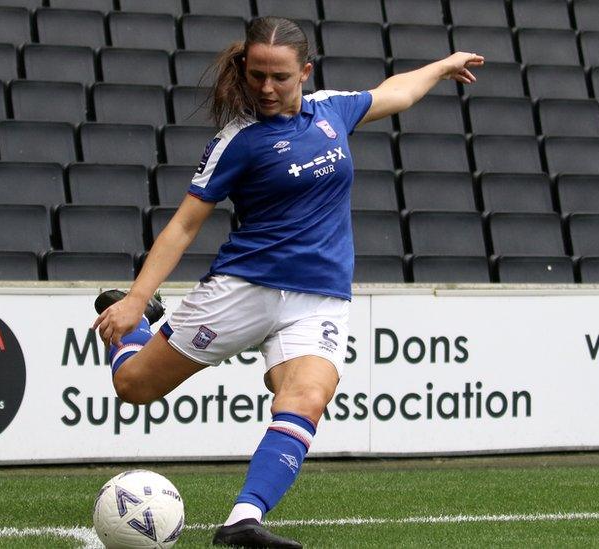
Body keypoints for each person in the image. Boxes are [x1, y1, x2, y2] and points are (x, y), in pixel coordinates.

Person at [92, 16, 483, 548]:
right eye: (256, 76)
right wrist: (136, 300)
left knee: (309, 397)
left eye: (279, 76)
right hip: (245, 289)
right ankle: (139, 324)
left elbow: (394, 93)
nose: (267, 88)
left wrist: (441, 66)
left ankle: (242, 520)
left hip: (319, 298)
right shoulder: (238, 141)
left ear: (305, 71)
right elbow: (184, 225)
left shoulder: (332, 111)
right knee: (133, 387)